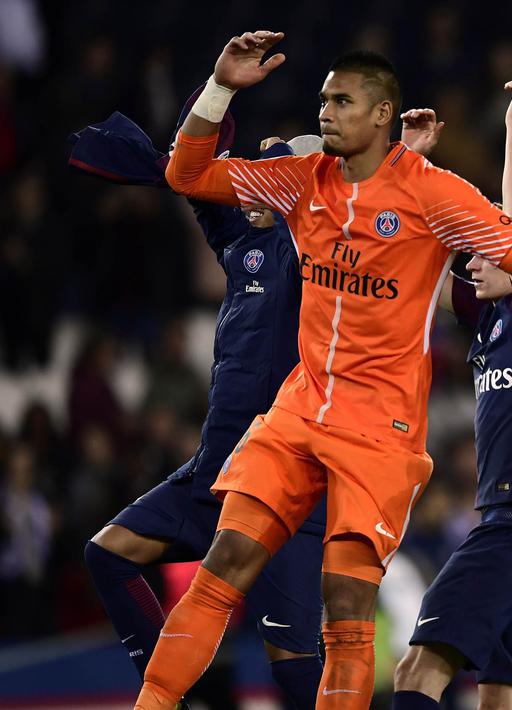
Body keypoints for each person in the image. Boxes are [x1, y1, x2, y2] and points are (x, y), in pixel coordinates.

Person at [134, 32, 512, 710]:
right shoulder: (299, 180)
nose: (326, 112)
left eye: (343, 100)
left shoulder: (433, 195)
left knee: (345, 607)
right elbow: (185, 175)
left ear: (381, 114)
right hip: (299, 409)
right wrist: (219, 88)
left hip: (379, 432)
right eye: (323, 99)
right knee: (221, 568)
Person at [70, 98, 327, 709]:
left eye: (276, 172)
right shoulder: (239, 241)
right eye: (259, 170)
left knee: (294, 673)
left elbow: (335, 184)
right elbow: (194, 160)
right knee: (107, 555)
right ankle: (172, 698)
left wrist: (313, 166)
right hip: (213, 475)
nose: (259, 179)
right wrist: (219, 85)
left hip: (280, 486)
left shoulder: (319, 256)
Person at [388, 79, 512, 710]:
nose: (473, 261)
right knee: (501, 698)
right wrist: (401, 167)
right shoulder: (493, 322)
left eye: (485, 252)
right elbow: (417, 271)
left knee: (415, 673)